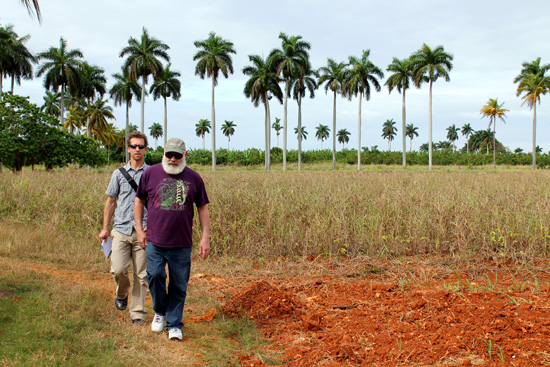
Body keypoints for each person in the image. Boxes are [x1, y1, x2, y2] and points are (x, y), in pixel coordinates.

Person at [134, 137, 210, 341]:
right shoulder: (150, 174)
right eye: (169, 154)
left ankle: (174, 324)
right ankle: (160, 312)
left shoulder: (194, 178)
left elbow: (202, 208)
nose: (173, 159)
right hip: (155, 241)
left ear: (185, 155)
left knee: (179, 284)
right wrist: (140, 231)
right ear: (163, 154)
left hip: (182, 244)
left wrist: (205, 237)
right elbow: (139, 201)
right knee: (155, 275)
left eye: (178, 155)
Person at [98, 131, 149, 325]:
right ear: (128, 149)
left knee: (142, 275)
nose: (137, 150)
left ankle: (138, 313)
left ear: (145, 149)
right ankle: (122, 293)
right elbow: (111, 201)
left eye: (141, 146)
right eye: (134, 146)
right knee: (118, 270)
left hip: (143, 231)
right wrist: (105, 228)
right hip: (120, 229)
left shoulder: (151, 173)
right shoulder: (118, 174)